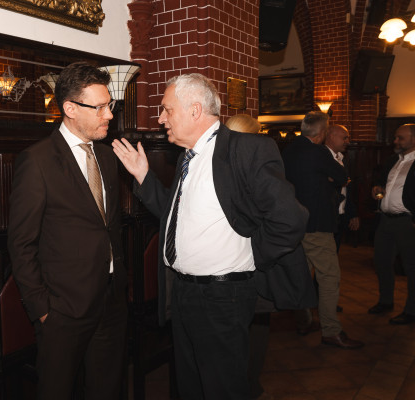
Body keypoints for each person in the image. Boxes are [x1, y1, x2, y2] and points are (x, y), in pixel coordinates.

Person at [112, 73, 315, 399]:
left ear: (194, 110)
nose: (161, 118)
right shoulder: (187, 156)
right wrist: (143, 175)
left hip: (223, 297)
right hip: (184, 293)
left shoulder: (245, 149)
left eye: (167, 109)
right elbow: (174, 216)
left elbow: (290, 218)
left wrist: (252, 257)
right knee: (190, 387)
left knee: (223, 389)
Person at [7, 62, 128, 400]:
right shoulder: (38, 161)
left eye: (109, 105)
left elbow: (108, 226)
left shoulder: (106, 156)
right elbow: (21, 243)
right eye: (99, 107)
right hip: (63, 310)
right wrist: (43, 309)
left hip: (111, 301)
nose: (109, 115)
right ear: (70, 109)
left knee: (107, 390)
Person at [282, 112, 363, 349]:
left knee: (302, 275)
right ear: (322, 133)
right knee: (329, 277)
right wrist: (329, 178)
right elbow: (342, 176)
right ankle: (331, 331)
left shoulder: (289, 150)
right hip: (317, 224)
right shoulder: (317, 152)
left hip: (296, 223)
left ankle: (304, 321)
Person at [226, 114, 272, 400]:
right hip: (248, 266)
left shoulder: (222, 168)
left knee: (245, 332)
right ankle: (249, 385)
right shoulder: (257, 169)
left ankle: (247, 385)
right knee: (253, 330)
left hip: (239, 266)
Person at [369, 124, 415, 324]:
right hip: (385, 220)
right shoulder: (392, 160)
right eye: (395, 137)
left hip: (407, 222)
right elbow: (380, 182)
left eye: (400, 138)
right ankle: (386, 301)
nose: (395, 141)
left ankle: (412, 310)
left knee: (411, 267)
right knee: (382, 262)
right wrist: (376, 188)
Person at [325, 125, 360, 251]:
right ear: (331, 136)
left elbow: (347, 190)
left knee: (334, 253)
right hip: (326, 216)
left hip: (340, 216)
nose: (347, 142)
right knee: (324, 256)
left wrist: (352, 213)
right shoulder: (322, 157)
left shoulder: (342, 159)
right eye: (344, 138)